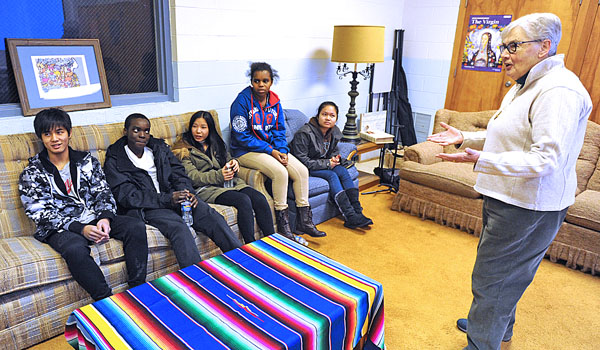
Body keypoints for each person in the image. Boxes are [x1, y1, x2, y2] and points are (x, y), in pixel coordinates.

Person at [427, 13, 592, 350]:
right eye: (504, 46)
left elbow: (546, 159)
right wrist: (468, 138)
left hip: (528, 206)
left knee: (493, 279)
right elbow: (511, 136)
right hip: (506, 197)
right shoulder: (526, 83)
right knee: (503, 276)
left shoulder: (557, 90)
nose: (504, 54)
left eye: (513, 46)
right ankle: (493, 325)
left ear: (545, 46)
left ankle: (481, 341)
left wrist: (481, 159)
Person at [19, 108, 148, 301]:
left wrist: (105, 217)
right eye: (47, 134)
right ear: (41, 138)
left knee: (135, 226)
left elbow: (103, 191)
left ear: (69, 134)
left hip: (94, 217)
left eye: (59, 132)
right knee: (74, 249)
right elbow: (39, 211)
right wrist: (81, 228)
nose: (54, 139)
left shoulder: (87, 161)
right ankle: (106, 301)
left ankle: (138, 291)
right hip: (60, 228)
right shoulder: (32, 172)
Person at [103, 113, 242, 269]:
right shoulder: (115, 158)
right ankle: (197, 280)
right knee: (180, 229)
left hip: (175, 197)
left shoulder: (158, 148)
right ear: (125, 132)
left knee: (212, 217)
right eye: (136, 130)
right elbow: (127, 196)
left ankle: (242, 263)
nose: (142, 135)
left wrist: (188, 193)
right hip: (149, 207)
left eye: (146, 131)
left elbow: (178, 173)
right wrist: (167, 199)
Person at [230, 61, 325, 239]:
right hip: (245, 151)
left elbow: (279, 130)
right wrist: (271, 151)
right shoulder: (241, 102)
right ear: (251, 82)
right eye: (257, 81)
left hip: (270, 149)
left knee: (302, 171)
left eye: (265, 81)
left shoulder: (274, 101)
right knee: (280, 172)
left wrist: (282, 149)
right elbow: (241, 137)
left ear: (271, 82)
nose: (261, 85)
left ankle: (304, 221)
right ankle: (283, 225)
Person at [172, 110, 278, 244]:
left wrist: (235, 163)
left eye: (203, 127)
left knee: (259, 198)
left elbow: (228, 159)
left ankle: (273, 242)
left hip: (229, 183)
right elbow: (194, 177)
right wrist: (219, 175)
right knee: (243, 200)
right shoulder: (183, 149)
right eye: (195, 126)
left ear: (210, 129)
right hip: (206, 189)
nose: (198, 131)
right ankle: (250, 245)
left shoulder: (215, 143)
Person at [291, 101, 373, 228]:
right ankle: (350, 215)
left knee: (342, 171)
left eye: (332, 115)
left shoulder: (334, 131)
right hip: (305, 167)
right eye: (324, 114)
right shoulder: (305, 133)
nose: (328, 118)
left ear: (336, 119)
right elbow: (303, 161)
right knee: (332, 175)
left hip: (322, 164)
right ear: (318, 116)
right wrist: (328, 163)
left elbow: (332, 151)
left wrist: (334, 159)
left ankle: (358, 212)